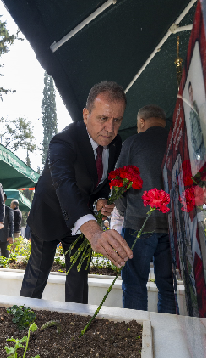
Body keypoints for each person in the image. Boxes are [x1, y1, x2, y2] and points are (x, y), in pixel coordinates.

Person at [19, 81, 133, 304]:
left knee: (79, 279)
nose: (110, 129)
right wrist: (94, 231)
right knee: (36, 277)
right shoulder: (63, 141)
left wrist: (101, 198)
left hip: (81, 218)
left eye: (117, 120)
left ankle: (78, 325)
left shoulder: (116, 143)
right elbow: (64, 183)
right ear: (86, 114)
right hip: (49, 216)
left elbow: (100, 181)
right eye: (103, 119)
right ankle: (22, 323)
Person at [114, 104, 177, 313]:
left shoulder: (133, 143)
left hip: (139, 224)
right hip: (171, 227)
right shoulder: (176, 144)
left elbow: (118, 184)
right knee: (168, 288)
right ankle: (169, 337)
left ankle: (135, 336)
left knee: (134, 284)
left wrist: (126, 212)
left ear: (141, 122)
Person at [0, 194, 14, 258]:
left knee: (5, 255)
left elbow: (11, 223)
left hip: (4, 236)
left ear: (4, 200)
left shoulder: (8, 210)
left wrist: (10, 236)